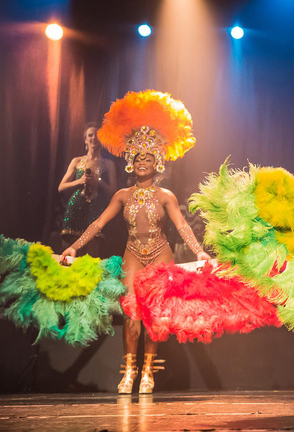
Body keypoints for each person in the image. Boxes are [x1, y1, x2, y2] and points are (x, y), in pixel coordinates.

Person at [61, 90, 211, 394]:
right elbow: (98, 223)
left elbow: (183, 227)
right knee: (131, 312)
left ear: (157, 163)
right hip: (131, 254)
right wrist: (75, 246)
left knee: (153, 313)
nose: (143, 161)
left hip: (160, 254)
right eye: (138, 157)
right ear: (131, 162)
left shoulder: (166, 196)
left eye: (148, 157)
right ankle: (129, 370)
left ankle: (148, 373)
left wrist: (200, 253)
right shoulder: (122, 195)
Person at [58, 122, 117, 257]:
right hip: (75, 210)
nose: (93, 138)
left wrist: (99, 182)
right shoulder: (77, 161)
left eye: (97, 135)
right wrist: (79, 181)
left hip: (96, 212)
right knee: (67, 254)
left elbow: (114, 192)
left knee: (91, 255)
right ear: (85, 139)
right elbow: (61, 187)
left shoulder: (109, 164)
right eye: (90, 135)